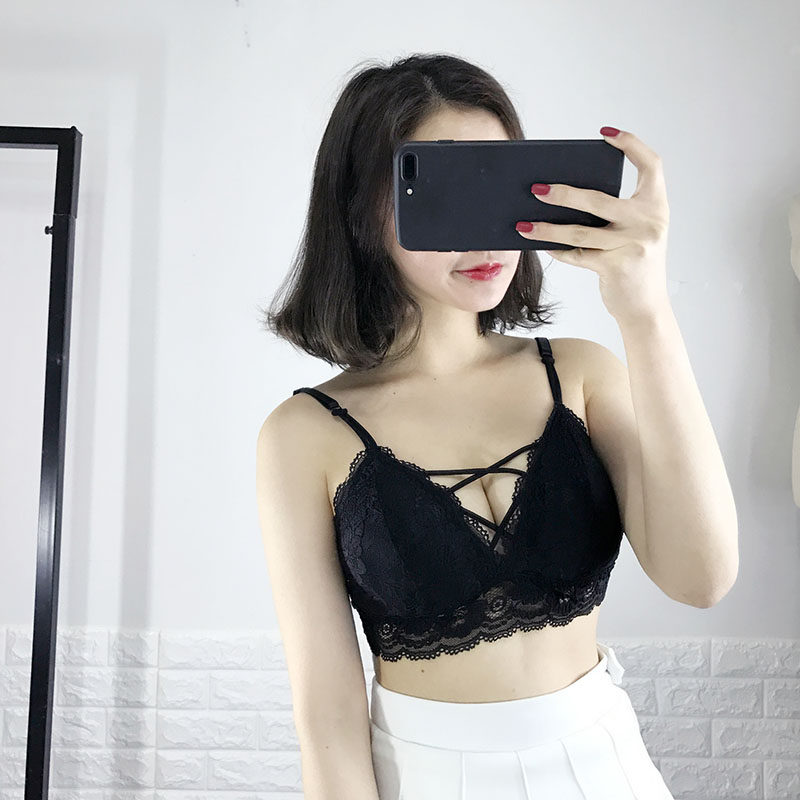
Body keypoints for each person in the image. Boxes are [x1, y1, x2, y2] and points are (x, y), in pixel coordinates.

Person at [255, 53, 686, 800]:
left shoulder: (581, 374)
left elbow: (702, 576)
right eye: (448, 189)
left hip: (605, 768)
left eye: (499, 183)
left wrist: (645, 308)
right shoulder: (304, 434)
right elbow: (327, 716)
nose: (484, 237)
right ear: (364, 208)